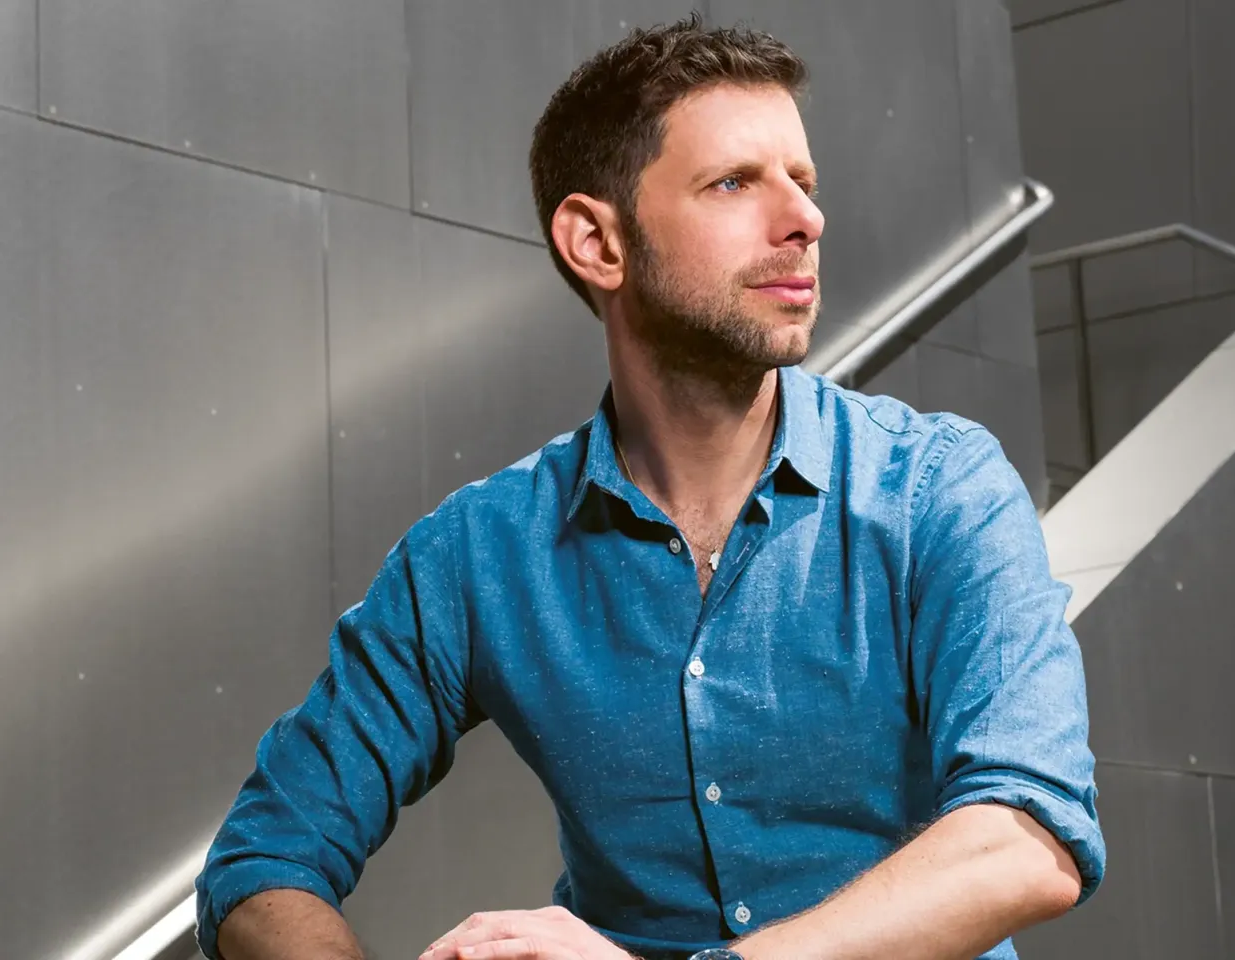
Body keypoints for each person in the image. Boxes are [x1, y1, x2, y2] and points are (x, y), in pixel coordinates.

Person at [195, 14, 1104, 960]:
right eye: (734, 183)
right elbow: (260, 863)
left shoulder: (939, 489)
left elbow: (1026, 840)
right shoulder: (478, 554)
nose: (804, 219)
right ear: (598, 243)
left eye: (804, 181)